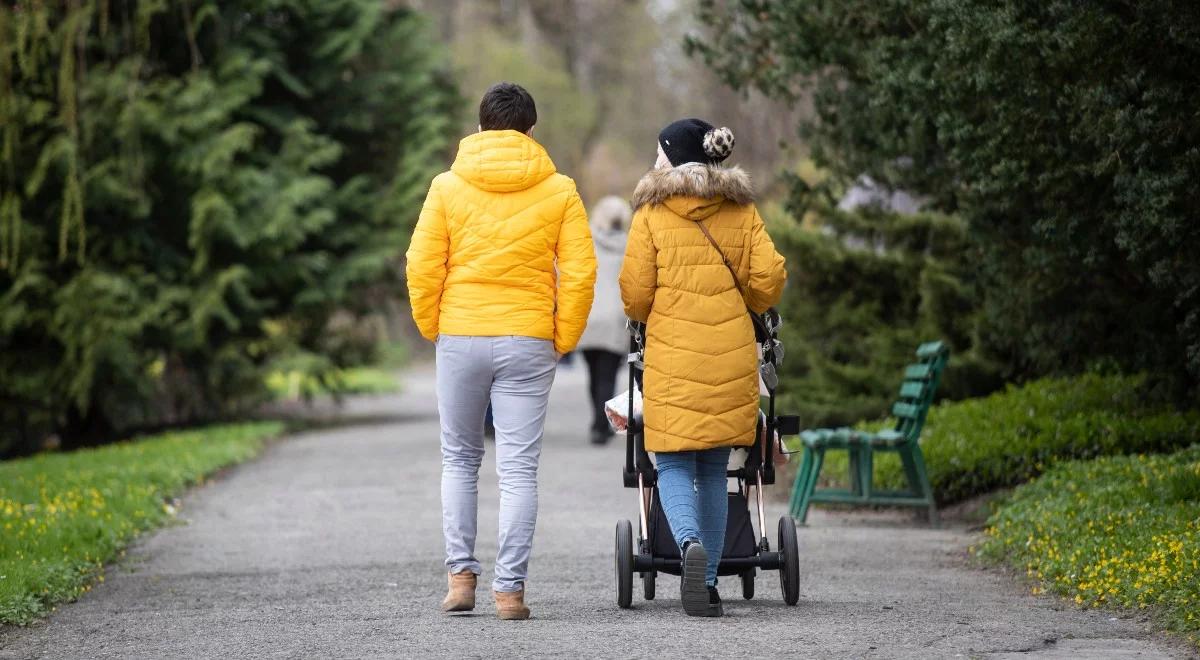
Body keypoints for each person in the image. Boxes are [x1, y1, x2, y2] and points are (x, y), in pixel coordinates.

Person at [406, 82, 596, 620]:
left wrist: (433, 327)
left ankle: (461, 581)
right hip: (529, 337)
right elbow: (581, 273)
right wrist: (563, 336)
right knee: (518, 470)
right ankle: (510, 592)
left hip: (460, 334)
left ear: (481, 126)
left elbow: (422, 264)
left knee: (460, 459)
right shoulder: (559, 189)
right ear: (531, 130)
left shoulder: (446, 186)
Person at [618, 118, 786, 617]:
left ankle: (687, 543)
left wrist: (654, 310)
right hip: (732, 353)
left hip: (672, 353)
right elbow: (769, 279)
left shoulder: (651, 213)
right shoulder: (742, 208)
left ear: (673, 155)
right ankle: (708, 583)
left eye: (659, 152)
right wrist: (747, 301)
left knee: (670, 459)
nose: (654, 162)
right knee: (714, 467)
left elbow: (635, 293)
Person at [575, 195, 633, 445]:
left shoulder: (584, 241)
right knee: (607, 375)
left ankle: (597, 421)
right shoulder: (631, 245)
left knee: (593, 372)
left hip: (588, 316)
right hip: (615, 320)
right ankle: (601, 425)